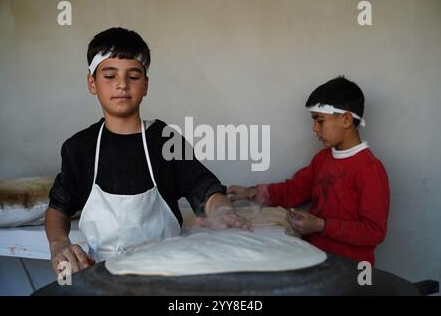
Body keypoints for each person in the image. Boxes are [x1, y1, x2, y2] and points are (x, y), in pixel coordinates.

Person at [45, 27, 250, 276]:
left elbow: (205, 190)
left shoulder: (165, 140)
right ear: (92, 83)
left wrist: (222, 211)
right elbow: (58, 208)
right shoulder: (79, 148)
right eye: (110, 76)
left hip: (168, 271)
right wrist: (58, 244)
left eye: (133, 76)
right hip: (102, 273)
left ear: (146, 85)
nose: (122, 84)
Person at [228, 76, 390, 265]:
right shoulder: (322, 159)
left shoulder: (370, 170)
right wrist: (252, 192)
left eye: (319, 121)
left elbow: (374, 232)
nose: (314, 128)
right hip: (315, 262)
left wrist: (321, 226)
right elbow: (294, 190)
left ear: (346, 119)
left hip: (352, 272)